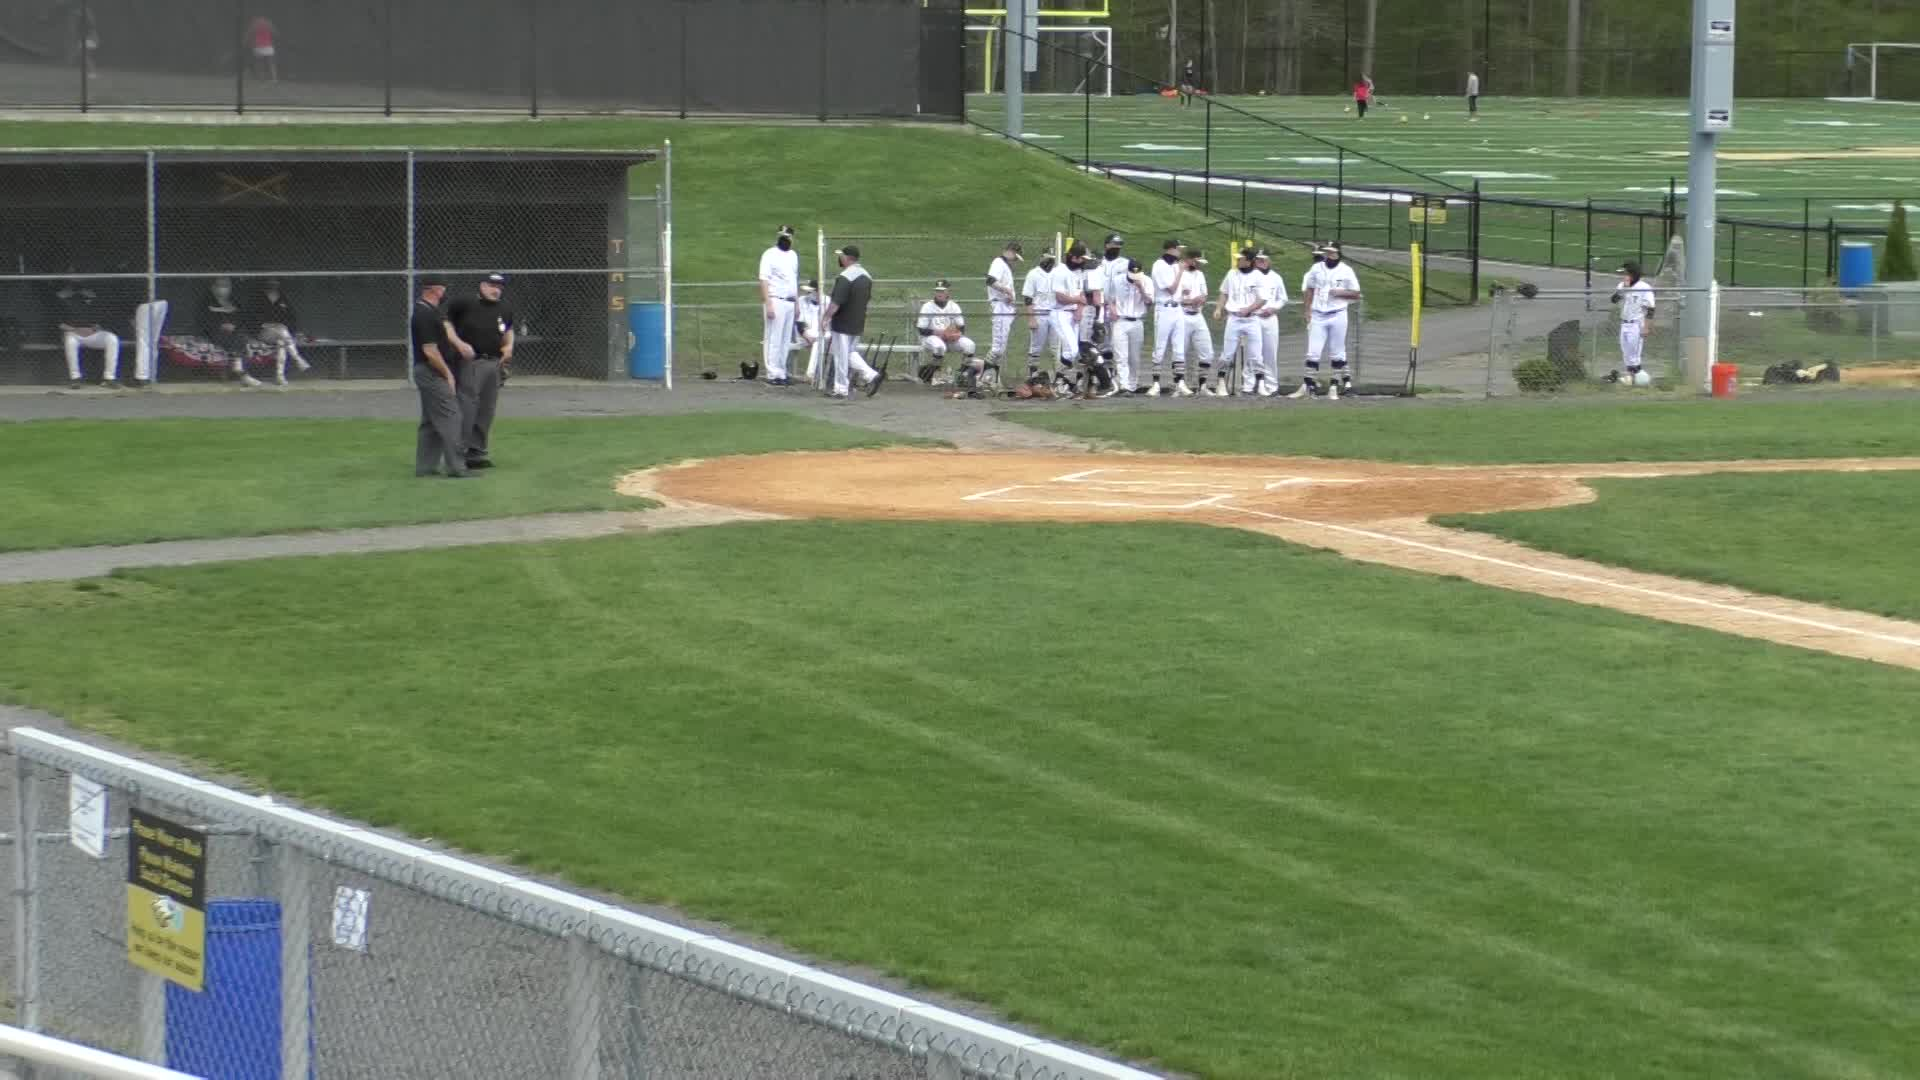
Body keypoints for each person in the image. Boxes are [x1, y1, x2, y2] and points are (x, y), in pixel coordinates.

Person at [444, 274, 514, 469]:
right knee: (467, 408)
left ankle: (477, 453)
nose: (496, 289)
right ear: (482, 286)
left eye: (499, 286)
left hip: (494, 363)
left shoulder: (504, 308)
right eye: (492, 285)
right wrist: (458, 343)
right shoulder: (464, 302)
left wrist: (509, 347)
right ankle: (458, 454)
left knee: (486, 410)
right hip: (471, 362)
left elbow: (508, 330)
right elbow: (445, 322)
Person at [409, 277, 469, 478]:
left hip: (429, 371)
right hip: (431, 372)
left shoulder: (431, 311)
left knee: (430, 421)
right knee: (452, 416)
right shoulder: (424, 314)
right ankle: (456, 467)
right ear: (434, 290)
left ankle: (425, 468)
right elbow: (430, 351)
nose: (445, 293)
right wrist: (448, 375)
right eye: (443, 289)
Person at [1288, 244, 1362, 400]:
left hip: (1338, 313)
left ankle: (1335, 386)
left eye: (1332, 252)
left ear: (1338, 253)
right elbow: (1309, 289)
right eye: (1327, 252)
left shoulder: (1346, 270)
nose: (1329, 255)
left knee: (1337, 352)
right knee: (1313, 352)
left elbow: (1356, 293)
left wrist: (1341, 292)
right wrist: (1307, 310)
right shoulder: (1316, 268)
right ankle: (1310, 386)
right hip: (1318, 314)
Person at [824, 245, 884, 399]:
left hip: (843, 322)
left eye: (841, 256)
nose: (840, 258)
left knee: (841, 355)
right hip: (858, 321)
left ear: (847, 258)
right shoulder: (867, 276)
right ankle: (871, 375)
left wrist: (825, 318)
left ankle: (841, 389)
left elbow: (836, 302)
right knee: (850, 353)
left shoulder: (845, 277)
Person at [52, 278, 123, 389]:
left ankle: (109, 378)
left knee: (112, 339)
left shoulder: (93, 296)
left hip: (93, 333)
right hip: (73, 333)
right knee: (70, 341)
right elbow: (58, 323)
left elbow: (105, 317)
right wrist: (75, 330)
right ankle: (75, 378)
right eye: (74, 281)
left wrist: (95, 328)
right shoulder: (61, 297)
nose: (77, 285)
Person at [1214, 247, 1265, 398]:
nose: (1237, 261)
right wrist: (1218, 308)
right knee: (1227, 352)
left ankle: (1260, 383)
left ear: (1249, 261)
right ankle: (1221, 383)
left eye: (1240, 259)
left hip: (1252, 319)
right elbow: (1224, 292)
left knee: (1256, 353)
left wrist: (1248, 309)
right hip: (1234, 318)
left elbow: (1262, 299)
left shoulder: (1258, 276)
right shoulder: (1231, 273)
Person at [757, 225, 800, 385]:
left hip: (789, 301)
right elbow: (764, 279)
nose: (785, 239)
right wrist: (768, 303)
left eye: (787, 237)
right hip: (775, 299)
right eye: (782, 236)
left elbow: (793, 280)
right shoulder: (769, 254)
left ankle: (781, 372)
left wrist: (796, 305)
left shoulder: (793, 256)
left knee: (785, 339)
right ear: (778, 237)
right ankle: (772, 373)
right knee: (773, 338)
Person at [200, 277, 262, 388]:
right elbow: (204, 321)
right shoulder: (207, 301)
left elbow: (242, 319)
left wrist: (234, 325)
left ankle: (240, 371)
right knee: (237, 338)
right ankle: (241, 372)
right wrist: (220, 325)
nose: (223, 289)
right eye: (220, 285)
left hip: (234, 332)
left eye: (226, 286)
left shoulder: (233, 302)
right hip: (215, 332)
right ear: (213, 287)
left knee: (240, 336)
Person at [1047, 243, 1090, 394]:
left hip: (1073, 313)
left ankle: (1060, 383)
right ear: (1073, 257)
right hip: (1059, 312)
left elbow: (1082, 294)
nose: (1083, 261)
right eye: (1081, 258)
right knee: (1072, 350)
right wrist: (1077, 301)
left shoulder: (1079, 272)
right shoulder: (1059, 271)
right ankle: (1058, 380)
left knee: (1073, 351)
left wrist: (1079, 308)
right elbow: (1060, 297)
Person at [916, 279, 976, 385]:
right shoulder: (927, 306)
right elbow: (921, 329)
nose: (939, 293)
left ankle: (962, 375)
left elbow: (961, 327)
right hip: (930, 338)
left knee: (970, 345)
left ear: (948, 292)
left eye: (942, 291)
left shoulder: (954, 306)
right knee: (939, 347)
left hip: (949, 339)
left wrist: (957, 334)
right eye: (937, 291)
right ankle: (927, 374)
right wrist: (938, 332)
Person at [1144, 238, 1184, 396]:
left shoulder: (1175, 265)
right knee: (1159, 347)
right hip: (1164, 309)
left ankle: (1179, 383)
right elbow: (1171, 289)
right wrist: (1181, 271)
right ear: (1171, 249)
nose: (1180, 251)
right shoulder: (1159, 265)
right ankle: (1155, 384)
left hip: (1177, 309)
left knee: (1178, 348)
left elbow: (1179, 291)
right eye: (1178, 248)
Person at [1106, 257, 1150, 398]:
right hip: (1121, 320)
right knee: (1121, 355)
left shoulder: (1147, 281)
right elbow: (1109, 298)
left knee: (1134, 357)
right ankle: (1123, 385)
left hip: (1137, 321)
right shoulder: (1118, 280)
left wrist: (1140, 288)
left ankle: (1132, 385)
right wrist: (1112, 309)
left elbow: (1149, 302)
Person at [251, 279, 310, 386]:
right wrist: (270, 325)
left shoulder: (283, 299)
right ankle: (297, 359)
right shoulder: (258, 298)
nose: (273, 286)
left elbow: (291, 318)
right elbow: (254, 320)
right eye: (271, 283)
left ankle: (280, 376)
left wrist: (282, 325)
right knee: (282, 332)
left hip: (281, 334)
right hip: (263, 333)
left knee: (281, 342)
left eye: (275, 283)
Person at [1169, 249, 1211, 397]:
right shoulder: (1178, 272)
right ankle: (1178, 384)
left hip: (1198, 315)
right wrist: (1189, 301)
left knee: (1207, 352)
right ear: (1190, 260)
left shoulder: (1200, 274)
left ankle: (1203, 385)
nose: (1199, 265)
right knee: (1180, 351)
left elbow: (1204, 293)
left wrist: (1201, 299)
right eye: (1197, 262)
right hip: (1182, 315)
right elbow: (1174, 295)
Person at [1612, 261, 1656, 386]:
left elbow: (1651, 309)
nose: (1624, 276)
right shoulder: (1622, 285)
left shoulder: (1644, 287)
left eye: (1626, 273)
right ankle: (1632, 377)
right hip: (1624, 323)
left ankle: (1640, 379)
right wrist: (1623, 290)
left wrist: (1646, 327)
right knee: (1625, 352)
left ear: (1633, 274)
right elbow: (1613, 300)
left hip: (1636, 324)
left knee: (1634, 354)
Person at [1252, 248, 1288, 395]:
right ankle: (1253, 384)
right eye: (1259, 259)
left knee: (1270, 352)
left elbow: (1283, 298)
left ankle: (1272, 386)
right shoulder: (1250, 277)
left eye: (1264, 259)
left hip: (1270, 318)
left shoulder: (1276, 277)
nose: (1262, 262)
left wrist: (1273, 309)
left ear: (1269, 260)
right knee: (1254, 353)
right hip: (1254, 317)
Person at [1095, 232, 1128, 391]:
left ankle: (1118, 379)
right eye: (1114, 245)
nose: (1117, 248)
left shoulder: (1125, 263)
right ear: (1106, 245)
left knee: (1117, 343)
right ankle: (1104, 376)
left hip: (1116, 308)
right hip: (1098, 307)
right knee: (1101, 342)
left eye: (1119, 246)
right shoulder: (1097, 263)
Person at [984, 240, 1021, 378]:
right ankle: (983, 378)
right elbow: (990, 280)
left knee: (1001, 348)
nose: (1015, 261)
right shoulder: (998, 262)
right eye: (1016, 257)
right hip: (1000, 307)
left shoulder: (1004, 265)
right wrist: (1007, 291)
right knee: (997, 348)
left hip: (1005, 307)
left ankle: (992, 379)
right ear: (1011, 252)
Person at [1021, 249, 1058, 384]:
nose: (1050, 261)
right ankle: (1033, 375)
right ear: (1042, 258)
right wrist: (1031, 318)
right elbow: (1028, 298)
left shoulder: (1057, 273)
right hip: (1040, 314)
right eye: (1048, 258)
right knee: (1036, 346)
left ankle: (1058, 376)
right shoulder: (1033, 274)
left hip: (1055, 314)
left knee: (1056, 347)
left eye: (1052, 258)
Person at [795, 279, 824, 383]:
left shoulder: (827, 301)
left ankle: (814, 375)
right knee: (817, 342)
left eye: (811, 291)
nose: (808, 293)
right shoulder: (801, 300)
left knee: (819, 341)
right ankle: (810, 375)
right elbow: (799, 323)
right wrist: (807, 336)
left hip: (822, 336)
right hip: (804, 335)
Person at [246, 15, 278, 83]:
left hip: (258, 46)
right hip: (268, 46)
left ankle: (261, 79)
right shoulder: (268, 23)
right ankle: (274, 79)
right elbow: (274, 32)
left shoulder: (255, 24)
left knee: (259, 64)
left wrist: (248, 41)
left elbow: (249, 33)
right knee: (271, 63)